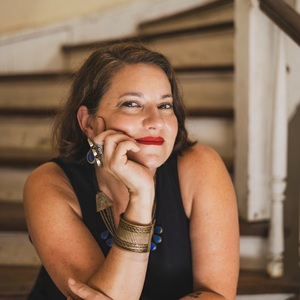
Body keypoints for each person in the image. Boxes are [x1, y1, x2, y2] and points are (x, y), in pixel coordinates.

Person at [23, 41, 239, 300]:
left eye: (165, 105)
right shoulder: (48, 184)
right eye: (132, 104)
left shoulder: (201, 166)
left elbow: (216, 295)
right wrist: (142, 194)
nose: (155, 121)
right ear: (89, 123)